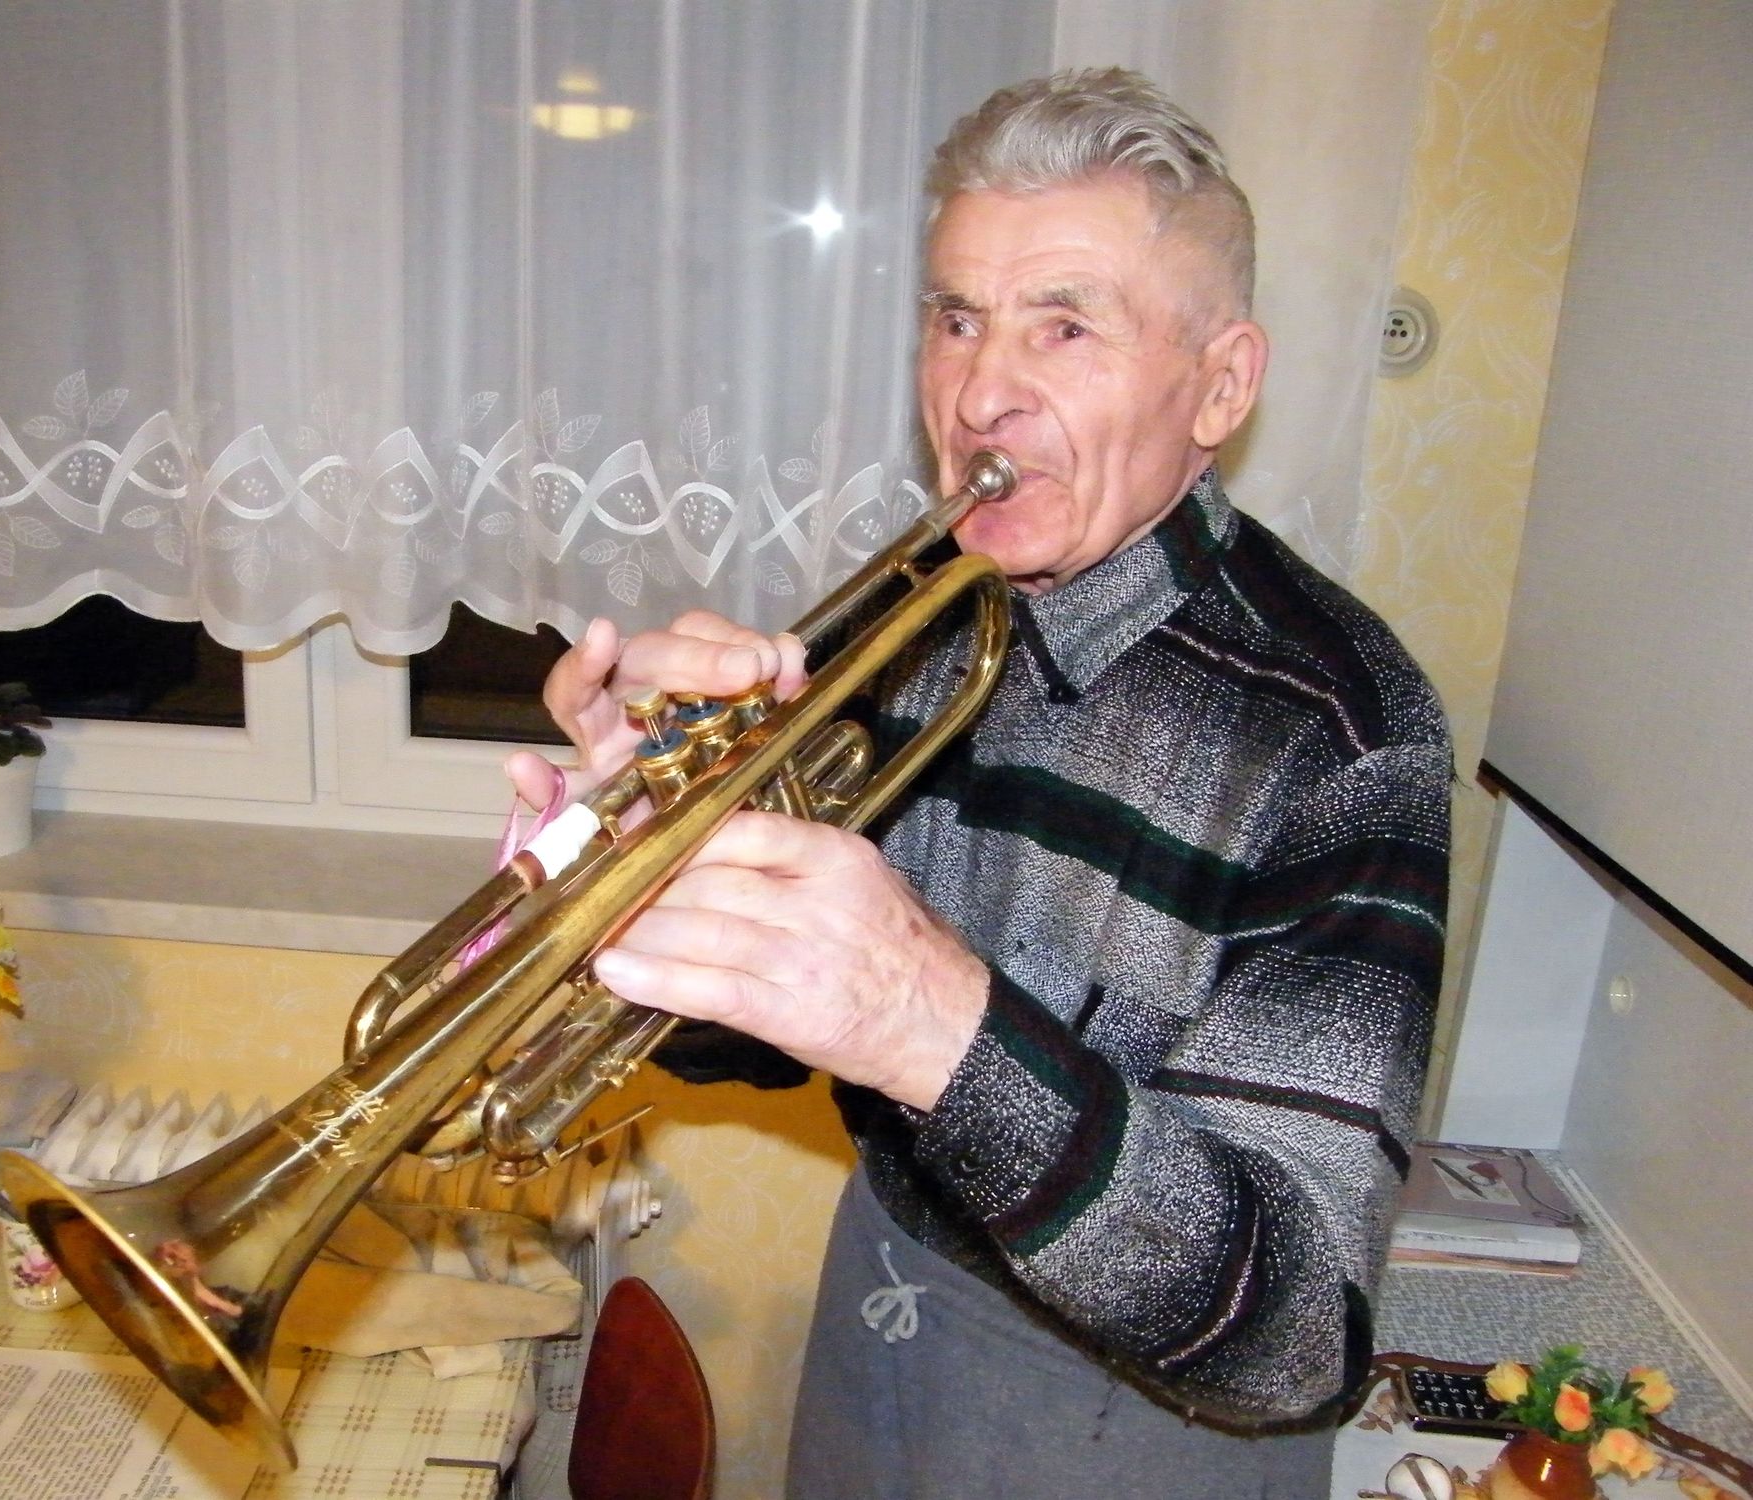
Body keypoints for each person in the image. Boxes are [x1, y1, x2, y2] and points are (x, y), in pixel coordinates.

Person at [507, 68, 1450, 1498]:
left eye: (1064, 325)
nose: (980, 393)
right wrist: (639, 880)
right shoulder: (914, 616)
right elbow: (760, 1038)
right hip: (882, 1296)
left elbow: (1295, 1335)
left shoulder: (1347, 734)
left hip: (1146, 1420)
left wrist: (933, 1020)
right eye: (957, 318)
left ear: (1221, 384)